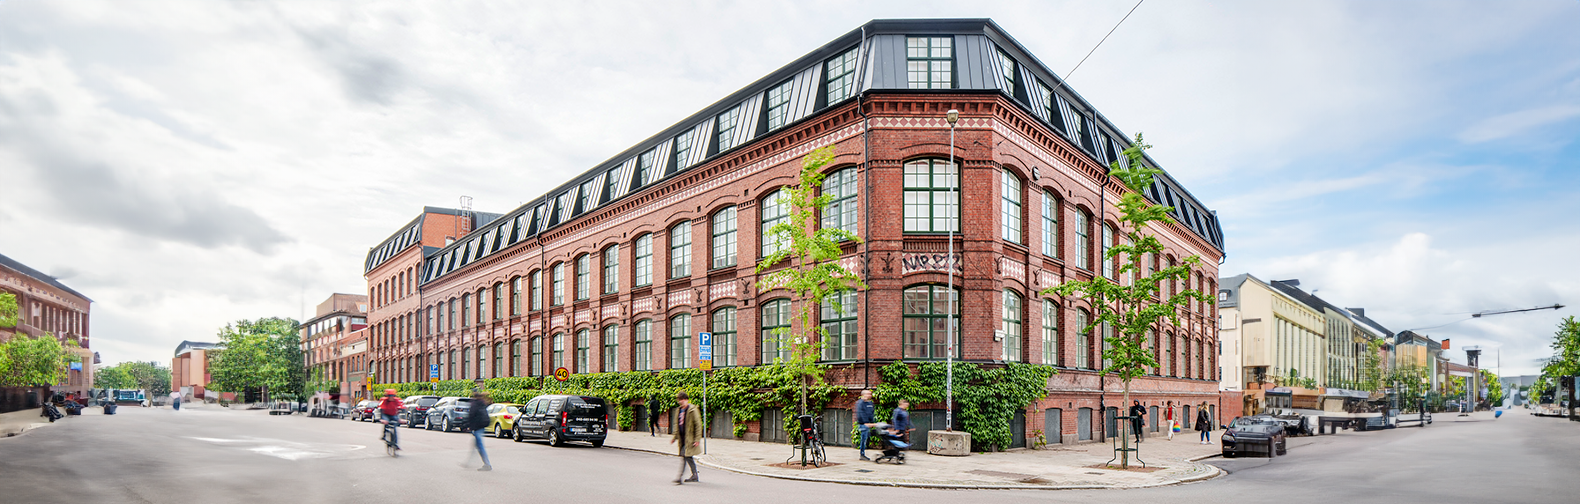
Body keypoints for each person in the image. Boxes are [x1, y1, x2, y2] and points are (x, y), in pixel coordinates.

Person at [670, 391, 703, 484]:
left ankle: (679, 477)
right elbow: (678, 424)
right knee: (688, 457)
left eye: (683, 400)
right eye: (680, 400)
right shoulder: (679, 410)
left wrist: (697, 439)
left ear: (687, 400)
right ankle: (695, 475)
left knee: (684, 456)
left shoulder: (692, 410)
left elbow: (698, 425)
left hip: (690, 438)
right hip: (682, 438)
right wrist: (674, 437)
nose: (681, 402)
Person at [466, 391, 493, 471]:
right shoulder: (482, 403)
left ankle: (487, 464)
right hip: (481, 426)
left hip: (477, 427)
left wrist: (468, 426)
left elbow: (471, 416)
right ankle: (469, 462)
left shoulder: (474, 404)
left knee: (480, 446)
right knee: (476, 445)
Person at [854, 389, 876, 461]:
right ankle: (862, 454)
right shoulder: (860, 403)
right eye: (868, 394)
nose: (870, 395)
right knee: (863, 439)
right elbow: (860, 414)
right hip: (864, 424)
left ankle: (863, 453)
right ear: (863, 395)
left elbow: (871, 413)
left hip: (869, 424)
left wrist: (872, 422)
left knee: (866, 439)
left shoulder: (870, 403)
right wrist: (865, 422)